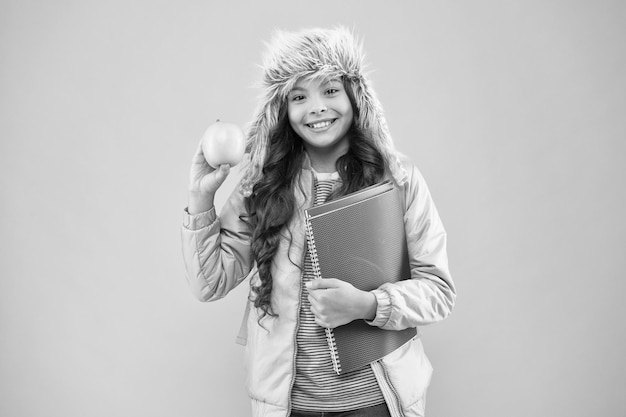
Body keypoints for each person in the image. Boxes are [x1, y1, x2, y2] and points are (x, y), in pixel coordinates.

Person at [181, 26, 456, 417]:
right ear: (283, 109)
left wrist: (367, 304)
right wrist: (201, 196)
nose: (316, 108)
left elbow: (438, 291)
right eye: (299, 96)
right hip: (290, 407)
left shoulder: (398, 178)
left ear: (355, 97)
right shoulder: (261, 184)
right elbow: (208, 282)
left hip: (376, 402)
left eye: (330, 90)